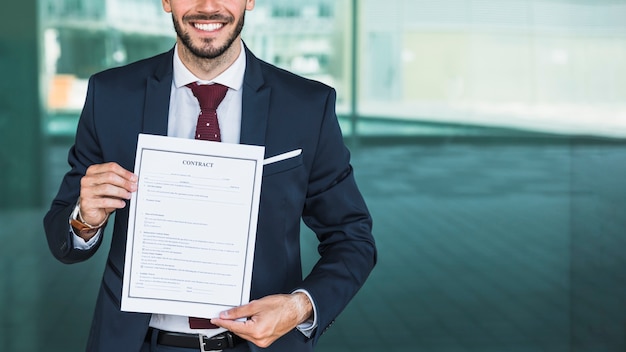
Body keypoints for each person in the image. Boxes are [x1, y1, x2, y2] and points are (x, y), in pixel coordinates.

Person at [43, 0, 376, 351]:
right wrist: (84, 220)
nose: (208, 6)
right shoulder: (110, 96)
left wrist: (300, 307)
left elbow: (352, 238)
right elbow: (62, 238)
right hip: (137, 343)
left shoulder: (306, 106)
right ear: (166, 1)